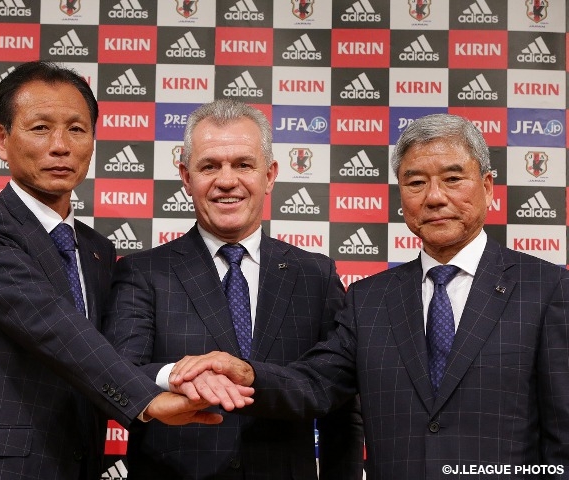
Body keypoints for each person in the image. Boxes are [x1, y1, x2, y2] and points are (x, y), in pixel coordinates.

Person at [172, 113, 569, 479]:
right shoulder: (369, 300)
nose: (434, 197)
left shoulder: (547, 288)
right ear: (401, 195)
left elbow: (563, 435)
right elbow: (315, 384)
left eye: (452, 179)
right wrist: (248, 373)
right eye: (416, 183)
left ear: (487, 186)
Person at [0, 62, 252, 480]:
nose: (60, 146)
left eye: (77, 129)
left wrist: (182, 375)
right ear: (2, 139)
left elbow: (112, 351)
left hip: (78, 464)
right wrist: (147, 399)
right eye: (40, 128)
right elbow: (50, 322)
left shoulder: (97, 250)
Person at [102, 99, 364, 480]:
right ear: (186, 177)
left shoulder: (315, 276)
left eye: (243, 164)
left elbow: (340, 405)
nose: (227, 181)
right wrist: (178, 375)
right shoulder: (142, 272)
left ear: (270, 175)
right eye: (209, 166)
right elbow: (119, 373)